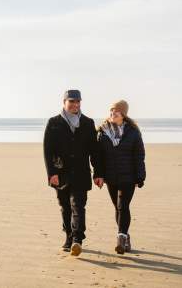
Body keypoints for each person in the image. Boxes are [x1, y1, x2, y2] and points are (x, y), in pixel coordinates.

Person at [43, 89, 103, 256]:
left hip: (81, 173)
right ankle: (69, 236)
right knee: (65, 207)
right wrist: (51, 173)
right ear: (64, 103)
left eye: (78, 102)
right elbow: (48, 151)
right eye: (72, 102)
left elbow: (94, 151)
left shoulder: (88, 123)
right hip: (60, 174)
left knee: (78, 206)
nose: (75, 105)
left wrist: (98, 173)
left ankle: (77, 239)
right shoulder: (53, 123)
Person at [95, 100, 146, 254]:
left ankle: (121, 238)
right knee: (117, 207)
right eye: (111, 111)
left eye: (116, 111)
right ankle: (126, 236)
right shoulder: (102, 132)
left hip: (128, 177)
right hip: (111, 177)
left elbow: (139, 155)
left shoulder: (133, 132)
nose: (112, 113)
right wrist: (99, 175)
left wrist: (140, 176)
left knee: (123, 206)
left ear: (123, 114)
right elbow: (98, 157)